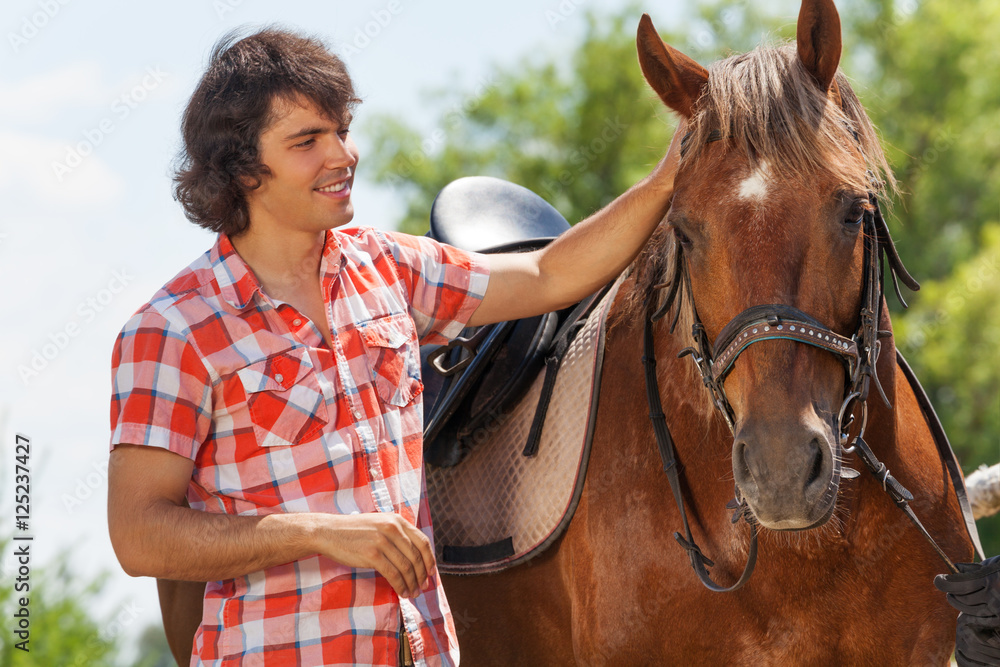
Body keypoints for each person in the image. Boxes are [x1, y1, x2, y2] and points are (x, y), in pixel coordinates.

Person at [107, 28, 679, 667]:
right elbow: (138, 535)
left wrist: (666, 181)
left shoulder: (388, 268)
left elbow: (549, 275)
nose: (342, 156)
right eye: (307, 141)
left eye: (342, 130)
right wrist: (319, 533)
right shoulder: (172, 329)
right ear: (243, 168)